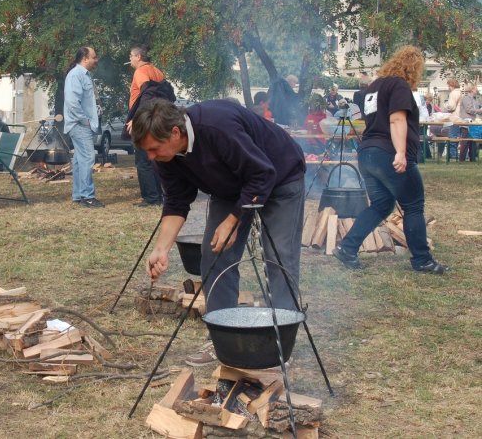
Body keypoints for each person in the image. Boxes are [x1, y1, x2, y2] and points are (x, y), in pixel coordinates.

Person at [130, 98, 306, 366]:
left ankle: (278, 343)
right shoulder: (166, 155)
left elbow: (261, 174)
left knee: (278, 257)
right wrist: (161, 248)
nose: (151, 157)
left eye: (153, 149)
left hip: (279, 177)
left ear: (175, 133)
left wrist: (235, 218)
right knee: (214, 256)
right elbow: (177, 201)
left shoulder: (217, 128)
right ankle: (223, 340)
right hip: (231, 189)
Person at [332, 45, 448, 275]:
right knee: (413, 206)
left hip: (368, 153)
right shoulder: (399, 85)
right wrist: (401, 153)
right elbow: (396, 120)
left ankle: (347, 248)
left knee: (381, 205)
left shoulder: (375, 87)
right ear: (412, 67)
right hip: (387, 152)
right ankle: (422, 260)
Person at [64, 46, 104, 208]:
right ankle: (87, 196)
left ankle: (78, 195)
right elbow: (72, 102)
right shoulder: (76, 75)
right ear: (85, 58)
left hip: (81, 124)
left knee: (80, 161)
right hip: (79, 125)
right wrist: (84, 120)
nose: (96, 60)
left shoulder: (84, 75)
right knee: (88, 158)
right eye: (94, 57)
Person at [126, 45, 166, 207]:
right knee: (154, 159)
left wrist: (137, 118)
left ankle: (151, 198)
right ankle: (159, 195)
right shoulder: (157, 71)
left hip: (145, 121)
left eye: (131, 56)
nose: (130, 59)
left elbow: (147, 94)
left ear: (139, 57)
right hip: (156, 119)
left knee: (143, 160)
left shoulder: (140, 72)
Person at [459, 82, 482, 162]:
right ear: (472, 89)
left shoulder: (475, 99)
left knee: (473, 142)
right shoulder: (466, 98)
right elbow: (469, 110)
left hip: (473, 123)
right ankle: (461, 159)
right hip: (466, 123)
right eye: (476, 88)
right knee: (465, 142)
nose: (477, 89)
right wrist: (479, 111)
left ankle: (472, 159)